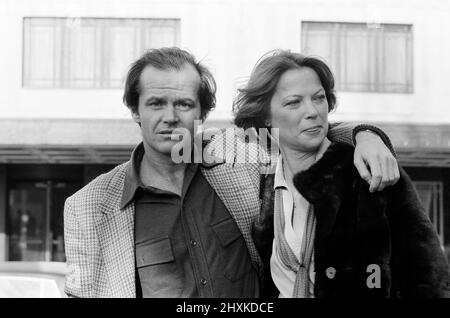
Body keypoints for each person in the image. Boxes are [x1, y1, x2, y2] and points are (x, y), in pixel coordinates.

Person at [64, 47, 399, 298]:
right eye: (155, 104)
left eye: (183, 104)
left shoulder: (238, 154)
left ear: (202, 111)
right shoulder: (88, 206)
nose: (170, 117)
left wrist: (366, 135)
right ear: (135, 110)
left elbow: (304, 129)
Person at [234, 50, 450, 298]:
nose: (312, 111)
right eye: (294, 102)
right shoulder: (264, 186)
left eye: (319, 98)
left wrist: (368, 134)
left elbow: (428, 275)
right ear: (265, 117)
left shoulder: (368, 170)